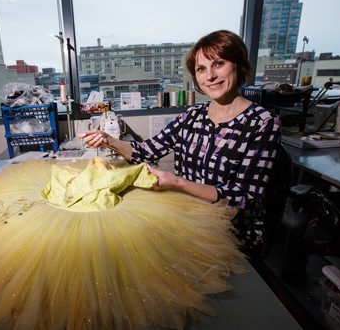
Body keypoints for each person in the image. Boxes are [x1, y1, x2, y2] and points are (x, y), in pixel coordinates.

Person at [79, 30, 282, 255]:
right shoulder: (192, 115)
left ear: (238, 65)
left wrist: (178, 183)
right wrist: (108, 140)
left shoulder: (262, 122)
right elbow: (147, 150)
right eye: (201, 69)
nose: (210, 76)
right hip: (187, 218)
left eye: (219, 64)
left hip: (231, 234)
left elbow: (243, 195)